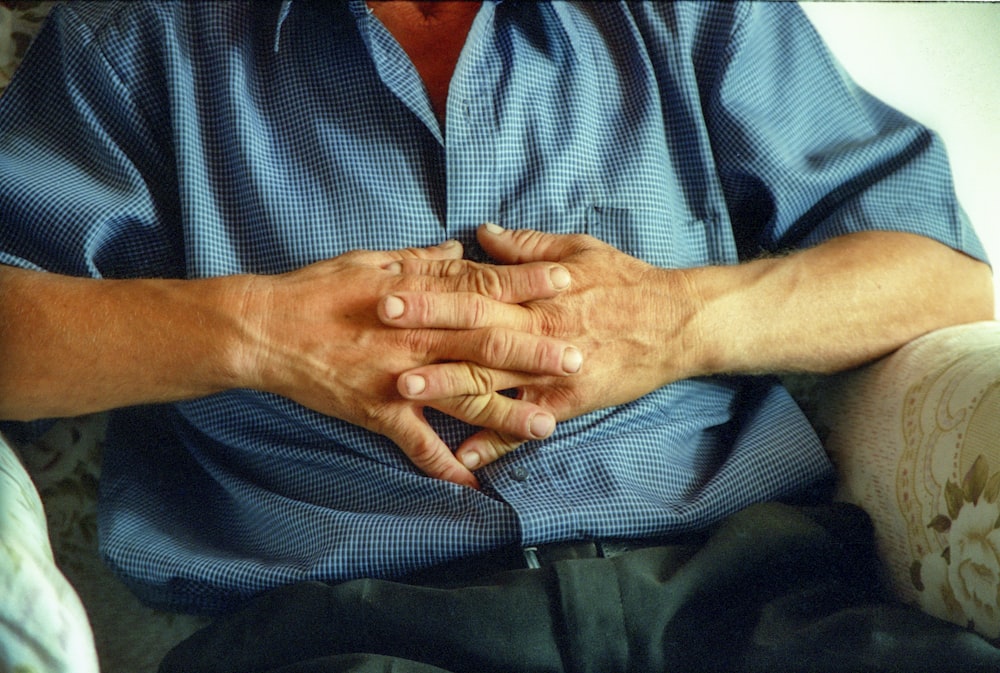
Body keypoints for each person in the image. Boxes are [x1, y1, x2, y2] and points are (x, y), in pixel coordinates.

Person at [0, 1, 995, 671]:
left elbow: (938, 270)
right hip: (340, 628)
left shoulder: (697, 14)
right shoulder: (131, 40)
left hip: (737, 596)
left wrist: (673, 322)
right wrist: (262, 331)